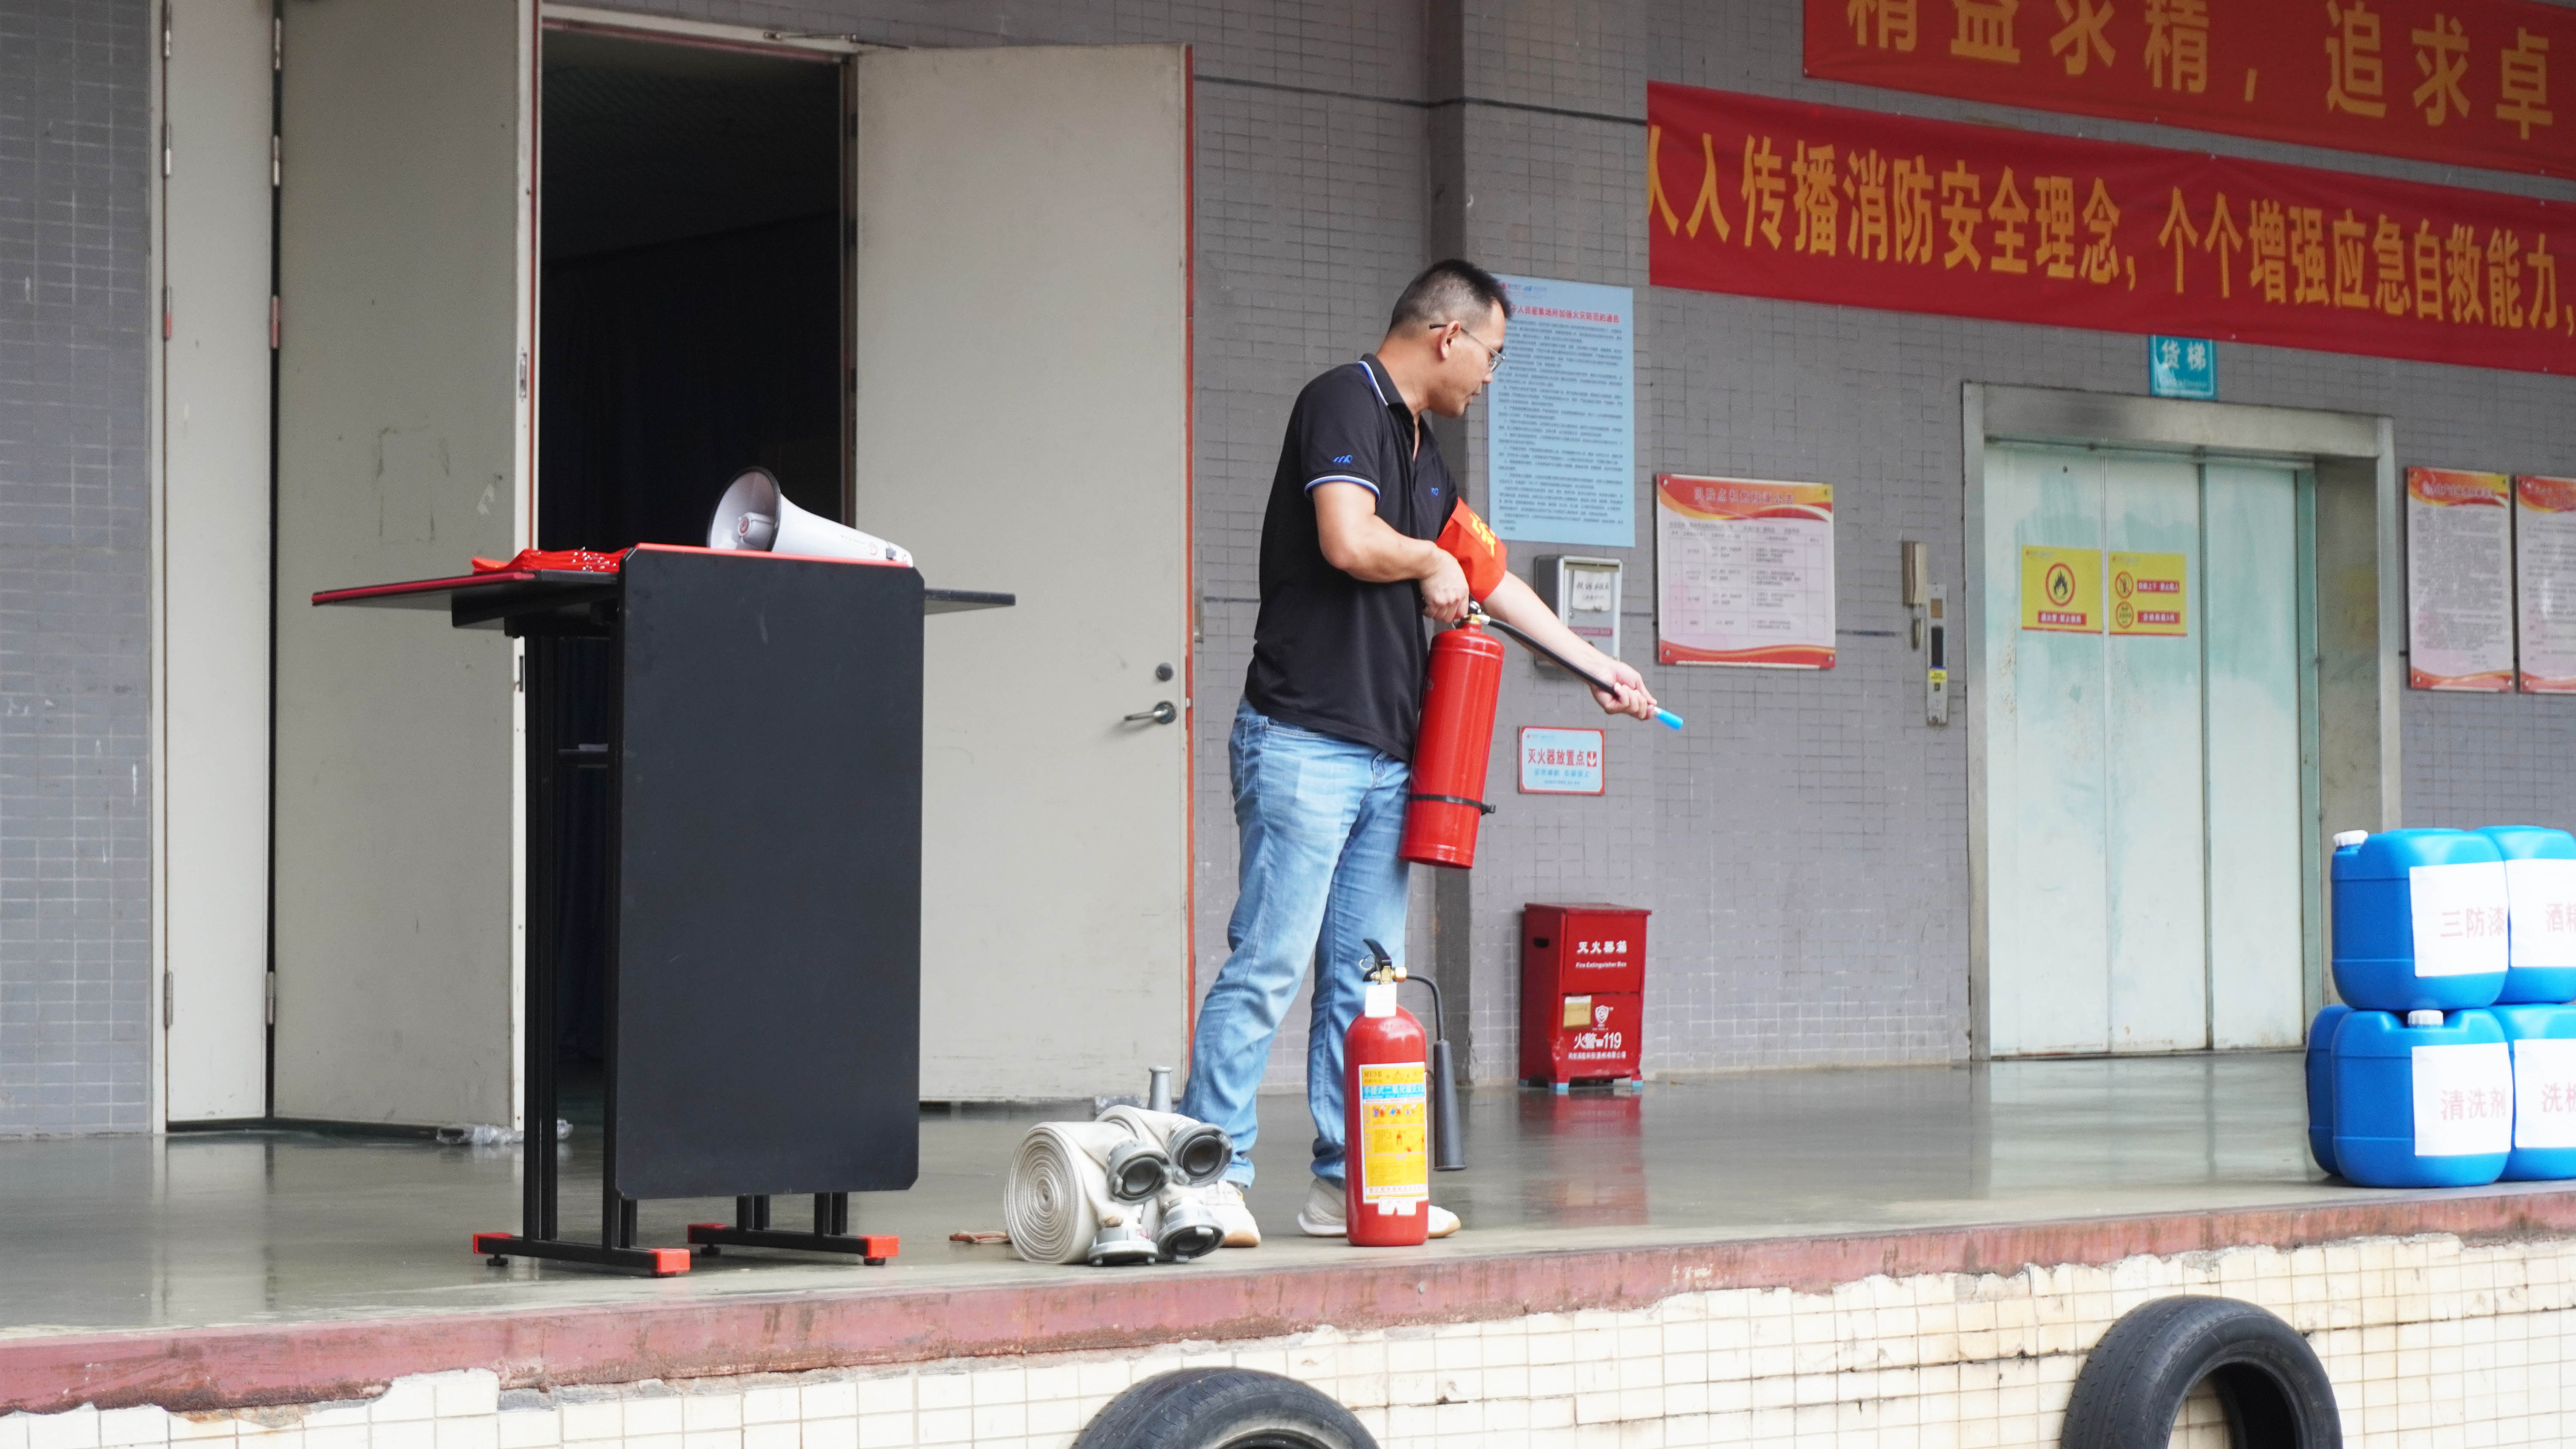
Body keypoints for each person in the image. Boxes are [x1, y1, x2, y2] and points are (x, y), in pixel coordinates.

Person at [1179, 259, 1661, 1246]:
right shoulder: (1342, 402)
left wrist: (1595, 664)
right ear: (1448, 335)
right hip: (1305, 738)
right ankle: (1209, 1174)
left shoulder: (1424, 453)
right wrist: (1430, 558)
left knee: (1365, 983)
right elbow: (1348, 538)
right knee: (1270, 962)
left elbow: (1493, 577)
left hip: (1387, 758)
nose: (1492, 375)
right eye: (1494, 353)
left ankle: (1345, 1181)